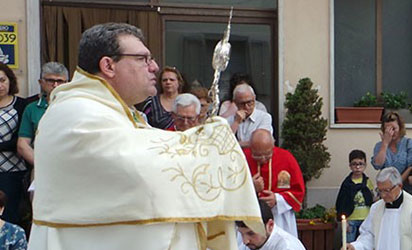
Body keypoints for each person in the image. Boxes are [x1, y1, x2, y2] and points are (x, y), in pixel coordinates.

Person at [28, 23, 264, 250]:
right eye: (143, 59)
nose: (154, 67)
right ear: (108, 65)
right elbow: (140, 165)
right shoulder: (76, 111)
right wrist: (207, 143)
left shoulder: (109, 108)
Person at [243, 129, 305, 236]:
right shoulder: (242, 158)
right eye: (257, 155)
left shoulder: (286, 158)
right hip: (250, 216)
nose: (263, 159)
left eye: (267, 155)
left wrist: (277, 199)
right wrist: (250, 187)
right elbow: (230, 191)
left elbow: (298, 191)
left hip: (279, 218)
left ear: (273, 146)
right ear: (250, 148)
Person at [346, 167, 412, 250]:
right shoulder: (376, 208)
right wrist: (355, 246)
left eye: (387, 190)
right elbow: (369, 235)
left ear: (399, 186)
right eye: (380, 191)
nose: (383, 195)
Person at [17, 62, 69, 169]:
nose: (55, 85)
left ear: (67, 83)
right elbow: (22, 144)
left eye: (60, 81)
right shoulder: (32, 108)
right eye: (50, 80)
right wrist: (42, 166)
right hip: (41, 168)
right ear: (41, 82)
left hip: (70, 167)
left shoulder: (76, 106)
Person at [0, 63, 27, 225]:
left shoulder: (22, 106)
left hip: (13, 172)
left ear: (10, 81)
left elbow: (19, 140)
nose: (0, 85)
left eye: (2, 80)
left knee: (9, 216)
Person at [371, 111, 412, 196]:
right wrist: (385, 144)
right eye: (388, 129)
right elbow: (377, 165)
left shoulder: (409, 143)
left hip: (407, 190)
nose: (391, 132)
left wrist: (397, 184)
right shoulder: (379, 146)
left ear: (400, 127)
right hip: (386, 191)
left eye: (394, 128)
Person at [335, 149, 374, 243]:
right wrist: (345, 221)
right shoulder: (347, 183)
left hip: (365, 218)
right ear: (350, 166)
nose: (357, 167)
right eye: (354, 164)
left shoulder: (367, 182)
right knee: (349, 243)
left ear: (365, 165)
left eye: (361, 164)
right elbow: (342, 201)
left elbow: (371, 199)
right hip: (351, 219)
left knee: (365, 243)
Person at [236, 199, 305, 250]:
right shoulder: (253, 244)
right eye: (241, 233)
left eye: (251, 233)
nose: (245, 241)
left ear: (270, 225)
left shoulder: (288, 247)